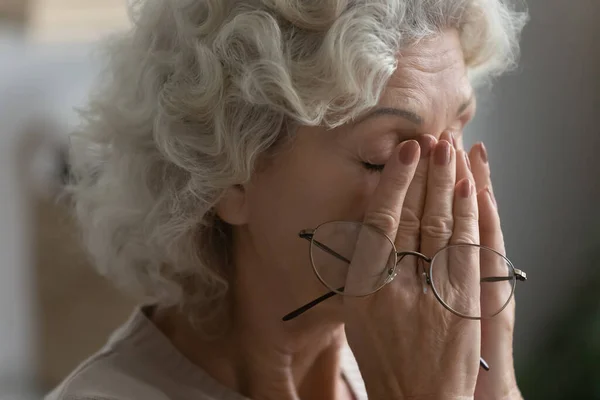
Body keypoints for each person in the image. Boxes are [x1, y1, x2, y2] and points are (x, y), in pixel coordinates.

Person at [46, 0, 529, 399]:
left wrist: (496, 388)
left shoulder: (412, 355)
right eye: (384, 158)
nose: (441, 193)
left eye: (456, 132)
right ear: (228, 173)